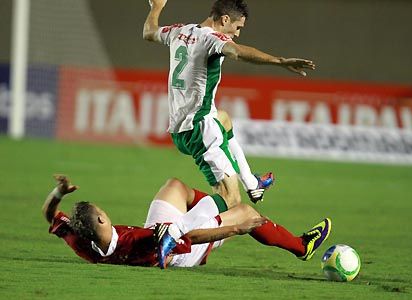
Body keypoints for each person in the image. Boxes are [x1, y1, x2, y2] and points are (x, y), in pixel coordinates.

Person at [143, 0, 315, 207]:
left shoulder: (179, 31)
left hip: (179, 128)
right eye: (237, 27)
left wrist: (157, 7)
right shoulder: (212, 39)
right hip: (200, 130)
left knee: (223, 118)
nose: (238, 33)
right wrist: (279, 61)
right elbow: (237, 52)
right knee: (230, 201)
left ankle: (252, 183)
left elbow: (149, 32)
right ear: (224, 19)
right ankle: (178, 231)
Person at [43, 175, 331, 269]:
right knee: (247, 213)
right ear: (103, 218)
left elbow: (48, 215)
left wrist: (58, 194)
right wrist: (234, 229)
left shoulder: (82, 239)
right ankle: (301, 247)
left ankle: (227, 200)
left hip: (160, 231)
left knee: (175, 186)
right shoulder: (138, 242)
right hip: (180, 250)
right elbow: (188, 238)